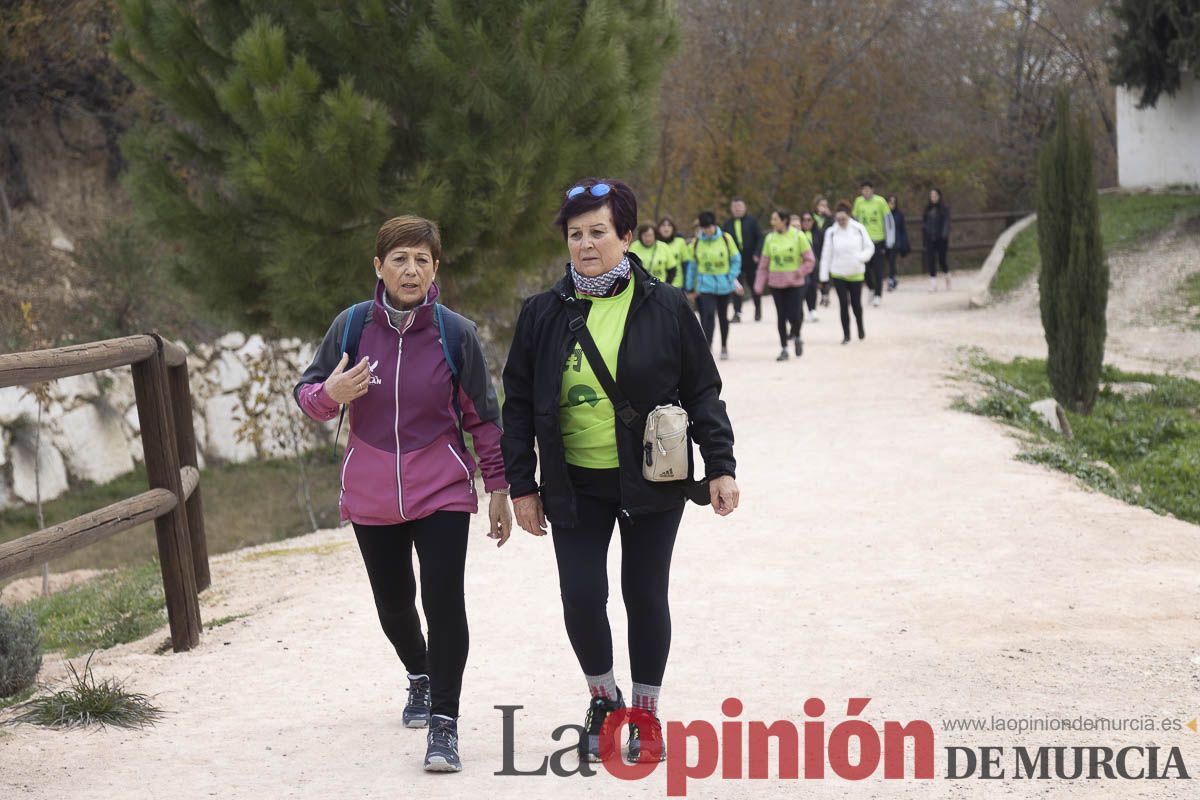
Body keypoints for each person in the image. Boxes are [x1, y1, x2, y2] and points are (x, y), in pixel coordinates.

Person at [501, 177, 740, 764]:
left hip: (652, 479)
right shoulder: (541, 314)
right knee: (581, 596)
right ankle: (604, 699)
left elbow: (703, 390)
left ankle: (646, 711)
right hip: (573, 482)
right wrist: (521, 485)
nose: (585, 244)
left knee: (644, 594)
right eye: (575, 233)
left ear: (626, 236)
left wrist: (721, 465)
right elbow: (517, 402)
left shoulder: (666, 307)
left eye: (598, 232)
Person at [294, 215, 512, 774]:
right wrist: (330, 393)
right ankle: (419, 673)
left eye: (421, 259)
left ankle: (445, 723)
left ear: (436, 268)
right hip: (370, 491)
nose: (410, 269)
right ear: (378, 267)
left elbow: (484, 419)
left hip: (440, 487)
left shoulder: (453, 333)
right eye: (399, 259)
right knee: (393, 603)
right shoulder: (350, 327)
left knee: (444, 603)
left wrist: (498, 487)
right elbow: (307, 394)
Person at [755, 209, 815, 361]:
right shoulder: (769, 238)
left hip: (795, 283)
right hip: (776, 284)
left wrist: (800, 272)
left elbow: (810, 260)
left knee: (795, 315)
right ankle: (784, 348)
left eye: (775, 219)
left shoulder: (798, 236)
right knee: (781, 316)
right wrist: (759, 285)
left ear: (784, 220)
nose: (772, 222)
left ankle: (796, 335)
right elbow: (764, 264)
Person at [686, 211, 743, 359]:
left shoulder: (726, 238)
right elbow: (692, 266)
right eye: (704, 228)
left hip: (724, 285)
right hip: (705, 286)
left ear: (715, 225)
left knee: (723, 316)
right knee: (708, 314)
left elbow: (736, 259)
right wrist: (689, 286)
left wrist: (730, 276)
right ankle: (707, 346)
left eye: (709, 227)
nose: (707, 231)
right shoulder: (697, 242)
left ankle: (724, 345)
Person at [819, 200, 875, 344]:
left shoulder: (858, 228)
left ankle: (860, 326)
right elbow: (826, 255)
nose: (841, 222)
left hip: (856, 272)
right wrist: (823, 276)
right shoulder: (831, 232)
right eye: (838, 219)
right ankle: (846, 334)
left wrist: (861, 258)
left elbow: (869, 247)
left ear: (849, 216)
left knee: (856, 303)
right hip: (838, 273)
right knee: (843, 303)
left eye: (843, 219)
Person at [851, 181, 894, 307]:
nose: (866, 192)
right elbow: (855, 221)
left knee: (878, 269)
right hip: (863, 241)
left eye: (868, 190)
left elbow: (888, 221)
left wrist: (889, 240)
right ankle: (871, 287)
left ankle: (878, 295)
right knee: (865, 269)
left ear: (872, 190)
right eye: (863, 190)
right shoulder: (858, 202)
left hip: (878, 240)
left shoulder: (880, 202)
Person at [722, 198, 763, 323]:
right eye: (735, 207)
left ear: (744, 208)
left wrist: (757, 253)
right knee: (736, 286)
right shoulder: (727, 224)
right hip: (735, 262)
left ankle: (757, 309)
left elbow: (760, 238)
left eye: (739, 207)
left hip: (750, 259)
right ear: (731, 209)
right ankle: (737, 313)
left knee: (754, 285)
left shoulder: (752, 221)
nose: (737, 209)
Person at [922, 188, 952, 291]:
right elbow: (924, 223)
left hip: (941, 239)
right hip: (930, 238)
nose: (933, 197)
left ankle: (947, 275)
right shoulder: (927, 209)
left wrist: (944, 235)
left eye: (935, 195)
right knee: (931, 260)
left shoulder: (944, 208)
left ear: (939, 196)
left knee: (942, 260)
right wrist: (926, 234)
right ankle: (933, 284)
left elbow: (946, 222)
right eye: (931, 196)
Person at [800, 211, 826, 322]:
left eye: (809, 220)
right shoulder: (798, 234)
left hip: (815, 266)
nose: (806, 222)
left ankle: (812, 309)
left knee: (812, 287)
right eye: (804, 220)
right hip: (801, 266)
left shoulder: (819, 234)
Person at [811, 197, 833, 311]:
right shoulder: (811, 217)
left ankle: (826, 294)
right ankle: (821, 292)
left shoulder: (829, 218)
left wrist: (829, 216)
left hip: (827, 247)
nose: (823, 207)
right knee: (817, 271)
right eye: (821, 205)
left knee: (826, 271)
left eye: (825, 205)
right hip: (815, 247)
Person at [885, 195, 911, 291]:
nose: (891, 205)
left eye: (893, 203)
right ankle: (894, 277)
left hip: (896, 241)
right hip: (885, 241)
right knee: (889, 260)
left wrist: (904, 242)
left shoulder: (899, 215)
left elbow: (902, 229)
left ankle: (891, 280)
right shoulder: (884, 214)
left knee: (892, 260)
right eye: (889, 202)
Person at [656, 216, 689, 288]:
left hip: (677, 285)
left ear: (673, 228)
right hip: (659, 285)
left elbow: (686, 266)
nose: (666, 228)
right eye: (663, 225)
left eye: (669, 225)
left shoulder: (680, 242)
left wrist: (687, 286)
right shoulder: (654, 244)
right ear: (658, 228)